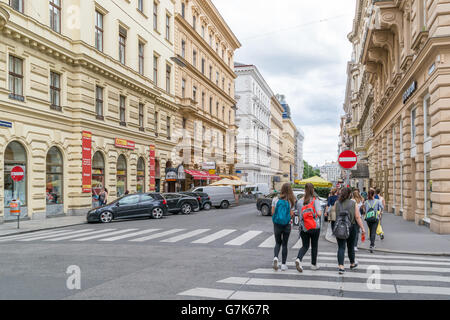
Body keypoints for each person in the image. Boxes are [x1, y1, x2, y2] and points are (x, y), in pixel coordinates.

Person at [334, 187, 366, 274]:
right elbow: (357, 217)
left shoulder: (337, 203)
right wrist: (363, 228)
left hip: (340, 227)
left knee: (341, 247)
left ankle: (341, 266)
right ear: (349, 194)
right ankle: (352, 263)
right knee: (350, 247)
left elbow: (335, 215)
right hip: (351, 227)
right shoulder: (353, 203)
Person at [295, 183, 322, 272]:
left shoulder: (299, 201)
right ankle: (313, 264)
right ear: (312, 190)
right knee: (314, 246)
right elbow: (319, 213)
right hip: (315, 227)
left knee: (305, 246)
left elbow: (299, 216)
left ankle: (299, 259)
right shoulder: (315, 200)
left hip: (304, 227)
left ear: (305, 190)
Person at [271, 183, 296, 271]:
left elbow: (273, 212)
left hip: (277, 224)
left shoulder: (275, 199)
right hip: (287, 225)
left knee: (278, 243)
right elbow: (291, 214)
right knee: (285, 244)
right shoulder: (291, 200)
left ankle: (275, 258)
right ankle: (283, 265)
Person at [365, 189, 383, 253]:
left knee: (370, 230)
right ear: (374, 194)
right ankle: (372, 245)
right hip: (375, 218)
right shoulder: (377, 201)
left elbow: (365, 209)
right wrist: (380, 212)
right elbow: (382, 207)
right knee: (373, 231)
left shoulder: (366, 202)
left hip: (368, 218)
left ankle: (371, 244)